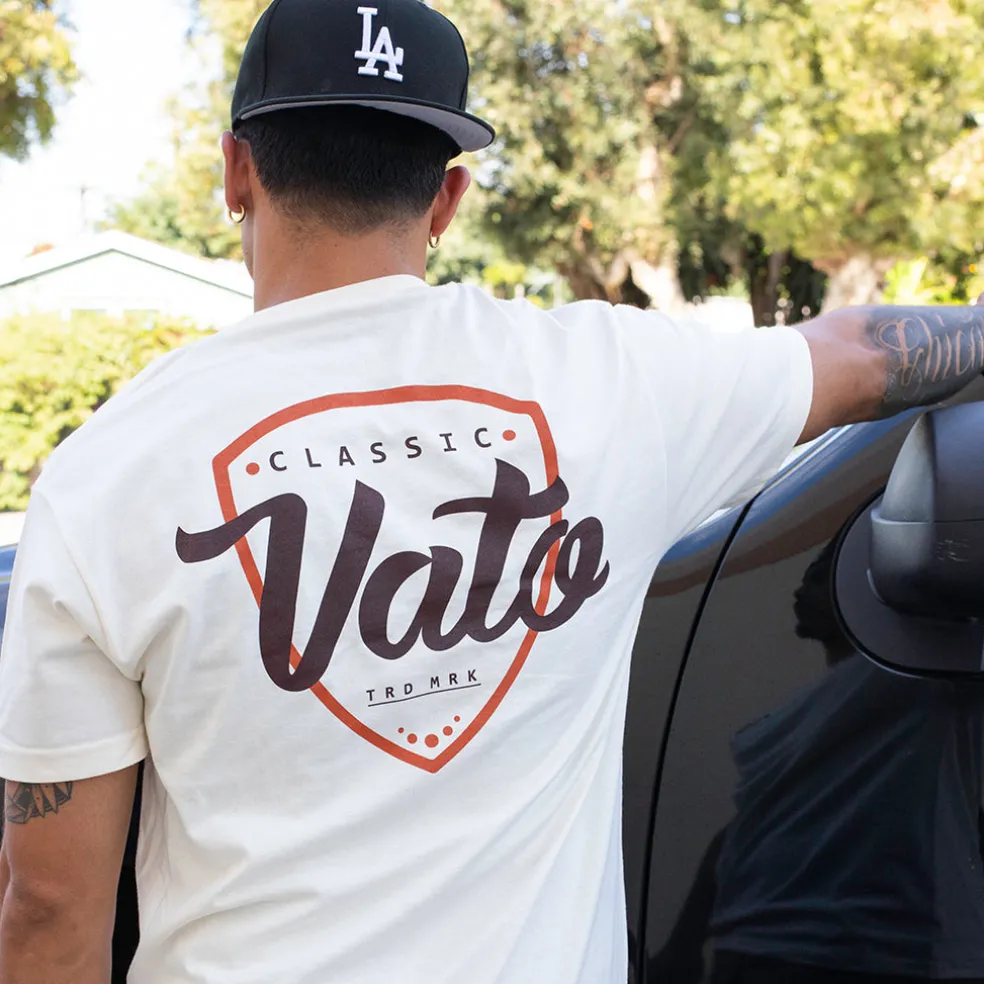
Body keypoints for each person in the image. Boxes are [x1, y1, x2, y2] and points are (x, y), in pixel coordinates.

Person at [1, 1, 983, 982]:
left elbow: (49, 907)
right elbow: (866, 355)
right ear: (447, 198)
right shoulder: (612, 382)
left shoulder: (107, 471)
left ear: (235, 171)